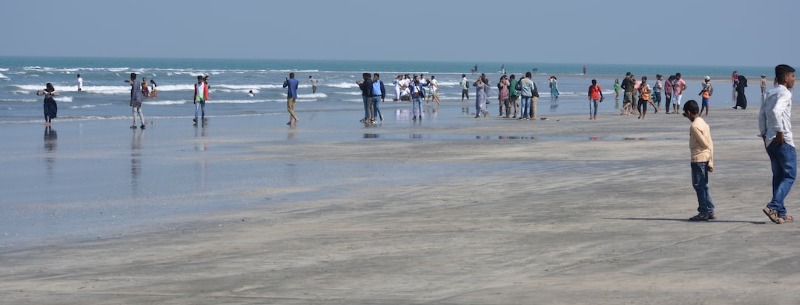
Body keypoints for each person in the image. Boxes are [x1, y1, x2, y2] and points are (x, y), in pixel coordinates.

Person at [759, 64, 796, 224]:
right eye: (792, 76)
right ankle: (773, 206)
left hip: (769, 141)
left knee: (778, 175)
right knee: (790, 175)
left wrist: (764, 136)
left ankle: (780, 213)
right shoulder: (785, 93)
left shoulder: (769, 92)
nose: (794, 79)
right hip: (783, 140)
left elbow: (761, 116)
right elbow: (775, 112)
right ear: (786, 78)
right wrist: (779, 131)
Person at [683, 100, 715, 221]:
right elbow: (711, 143)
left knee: (698, 185)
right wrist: (711, 161)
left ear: (689, 112)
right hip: (705, 158)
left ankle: (703, 212)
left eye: (686, 115)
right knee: (703, 185)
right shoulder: (703, 123)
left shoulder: (694, 126)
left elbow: (705, 143)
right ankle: (710, 210)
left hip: (698, 158)